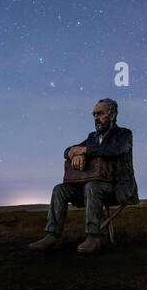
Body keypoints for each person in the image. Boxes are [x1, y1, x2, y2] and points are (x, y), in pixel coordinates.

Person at [29, 98, 139, 254]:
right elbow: (68, 150)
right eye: (94, 114)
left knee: (92, 186)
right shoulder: (92, 137)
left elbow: (113, 150)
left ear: (112, 115)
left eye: (100, 113)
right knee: (59, 189)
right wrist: (73, 153)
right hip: (90, 188)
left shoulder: (124, 134)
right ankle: (52, 234)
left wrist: (85, 151)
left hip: (117, 188)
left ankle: (94, 236)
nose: (95, 118)